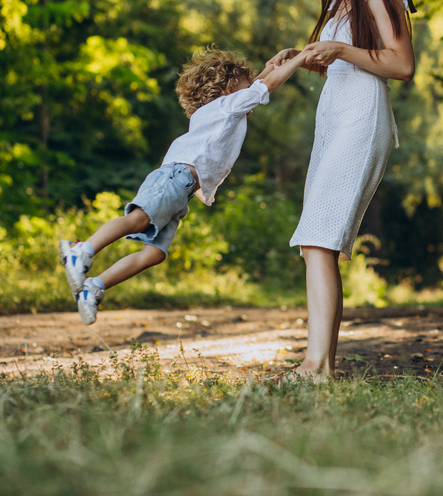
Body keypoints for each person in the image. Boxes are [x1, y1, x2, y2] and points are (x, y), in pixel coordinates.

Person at [269, 0, 417, 381]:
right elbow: (350, 57)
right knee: (317, 242)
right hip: (335, 117)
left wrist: (342, 49)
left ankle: (314, 365)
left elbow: (400, 65)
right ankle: (322, 367)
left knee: (318, 239)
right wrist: (306, 56)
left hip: (361, 118)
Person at [59, 46, 310, 325]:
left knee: (154, 254)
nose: (252, 88)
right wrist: (299, 60)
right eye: (245, 84)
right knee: (138, 219)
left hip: (183, 189)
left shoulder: (222, 108)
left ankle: (93, 288)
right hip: (176, 178)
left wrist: (273, 63)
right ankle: (80, 250)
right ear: (228, 87)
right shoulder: (226, 106)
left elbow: (262, 83)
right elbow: (267, 86)